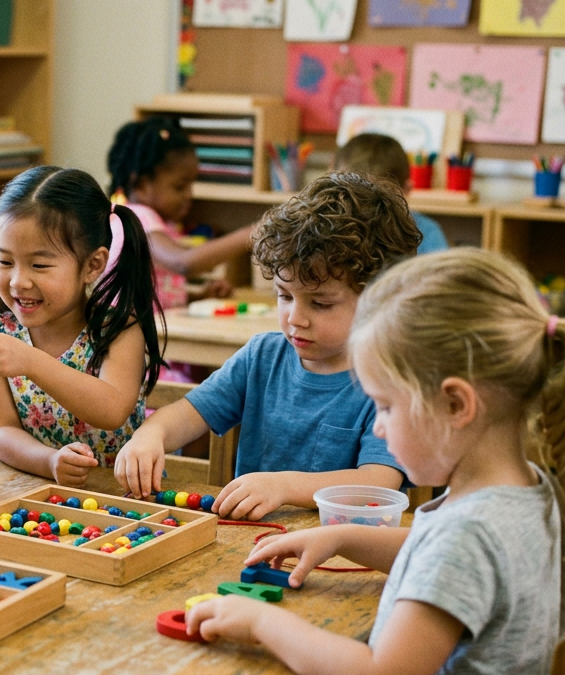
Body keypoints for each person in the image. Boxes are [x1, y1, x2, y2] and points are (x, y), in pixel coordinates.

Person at [187, 247, 565, 675]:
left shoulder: (470, 534)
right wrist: (344, 537)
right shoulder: (521, 490)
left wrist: (263, 622)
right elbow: (445, 559)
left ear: (457, 404)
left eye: (388, 405)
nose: (376, 425)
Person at [116, 173, 416, 519]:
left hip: (340, 552)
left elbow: (377, 483)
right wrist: (151, 435)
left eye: (320, 304)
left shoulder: (389, 381)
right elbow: (187, 414)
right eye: (284, 296)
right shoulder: (263, 357)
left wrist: (283, 487)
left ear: (380, 299)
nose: (295, 318)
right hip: (251, 541)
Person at [0, 166, 164, 487]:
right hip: (30, 489)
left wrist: (31, 362)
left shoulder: (119, 329)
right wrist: (49, 461)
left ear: (92, 265)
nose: (18, 281)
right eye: (5, 261)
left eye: (40, 265)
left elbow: (111, 411)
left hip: (118, 496)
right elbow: (0, 431)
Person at [105, 116, 257, 308]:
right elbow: (184, 263)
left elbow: (158, 297)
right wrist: (252, 233)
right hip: (128, 334)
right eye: (179, 187)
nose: (189, 195)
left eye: (190, 185)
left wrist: (200, 296)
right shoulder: (136, 218)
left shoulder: (157, 223)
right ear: (142, 186)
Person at [335, 133, 449, 254]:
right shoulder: (328, 229)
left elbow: (444, 272)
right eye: (355, 197)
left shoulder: (427, 232)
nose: (368, 211)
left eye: (381, 202)